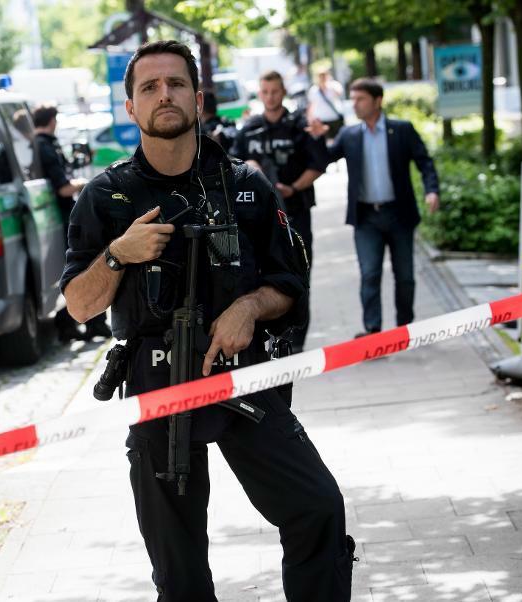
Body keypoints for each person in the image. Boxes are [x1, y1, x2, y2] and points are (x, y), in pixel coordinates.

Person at [61, 40, 354, 601]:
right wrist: (121, 252)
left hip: (239, 374)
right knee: (180, 566)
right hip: (156, 382)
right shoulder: (106, 196)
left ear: (197, 99)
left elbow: (289, 282)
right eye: (149, 87)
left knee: (317, 507)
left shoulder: (243, 183)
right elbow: (78, 304)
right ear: (130, 107)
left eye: (174, 84)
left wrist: (249, 307)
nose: (162, 95)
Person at [308, 78, 439, 337]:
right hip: (366, 217)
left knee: (405, 277)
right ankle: (373, 331)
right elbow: (325, 161)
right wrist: (318, 139)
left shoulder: (401, 130)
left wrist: (432, 190)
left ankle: (405, 327)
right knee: (369, 274)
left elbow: (425, 162)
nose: (354, 104)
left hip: (399, 214)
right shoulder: (350, 135)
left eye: (360, 99)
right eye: (353, 99)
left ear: (377, 101)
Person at [231, 70, 326, 353]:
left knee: (299, 275)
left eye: (274, 91)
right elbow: (233, 163)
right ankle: (267, 340)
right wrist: (249, 165)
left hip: (295, 213)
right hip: (257, 221)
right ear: (259, 94)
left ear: (283, 92)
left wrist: (294, 188)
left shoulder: (299, 125)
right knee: (260, 278)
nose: (270, 97)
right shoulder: (249, 128)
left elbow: (317, 163)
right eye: (265, 91)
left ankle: (296, 342)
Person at [33, 104, 111, 342]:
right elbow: (64, 188)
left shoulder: (40, 145)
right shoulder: (45, 147)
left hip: (53, 218)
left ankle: (89, 322)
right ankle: (76, 321)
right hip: (61, 216)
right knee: (85, 267)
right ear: (52, 120)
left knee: (81, 267)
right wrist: (87, 183)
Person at [307, 67, 346, 141]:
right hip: (322, 119)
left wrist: (328, 85)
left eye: (324, 75)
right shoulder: (314, 90)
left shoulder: (334, 85)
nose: (322, 78)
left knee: (339, 140)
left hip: (335, 118)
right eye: (320, 76)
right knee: (324, 141)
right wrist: (310, 119)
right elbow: (311, 106)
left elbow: (339, 93)